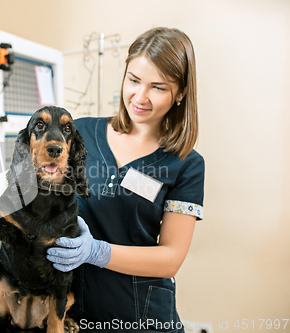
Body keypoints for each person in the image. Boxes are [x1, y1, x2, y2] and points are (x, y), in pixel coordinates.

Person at [47, 27, 205, 333]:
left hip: (140, 317)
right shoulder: (78, 134)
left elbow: (170, 258)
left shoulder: (186, 165)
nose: (140, 97)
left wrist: (97, 251)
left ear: (181, 93)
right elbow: (37, 197)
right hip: (72, 315)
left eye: (158, 87)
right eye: (133, 80)